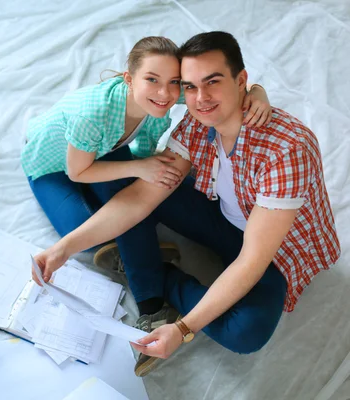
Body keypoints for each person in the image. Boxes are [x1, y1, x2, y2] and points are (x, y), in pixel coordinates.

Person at [31, 31, 340, 377]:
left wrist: (184, 329)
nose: (201, 98)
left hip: (274, 252)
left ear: (241, 80)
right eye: (190, 87)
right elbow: (139, 199)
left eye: (213, 82)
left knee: (245, 333)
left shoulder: (288, 151)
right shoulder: (196, 121)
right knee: (138, 176)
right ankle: (142, 267)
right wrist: (63, 249)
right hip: (221, 215)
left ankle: (160, 278)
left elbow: (252, 259)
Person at [22, 36, 271, 320]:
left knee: (132, 199)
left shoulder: (169, 92)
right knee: (88, 239)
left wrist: (258, 93)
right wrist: (138, 167)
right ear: (129, 78)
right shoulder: (92, 115)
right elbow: (78, 171)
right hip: (52, 166)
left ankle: (147, 285)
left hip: (103, 150)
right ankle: (142, 263)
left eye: (174, 82)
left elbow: (230, 86)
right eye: (151, 80)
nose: (165, 94)